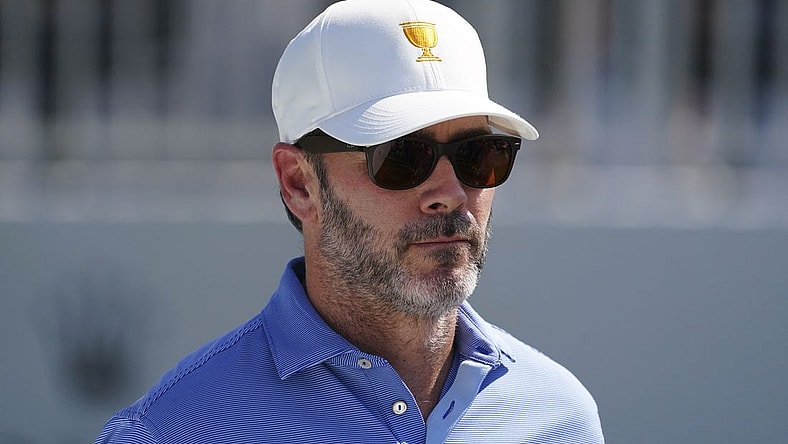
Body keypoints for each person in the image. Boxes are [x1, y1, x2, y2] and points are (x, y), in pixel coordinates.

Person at [95, 0, 604, 442]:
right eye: (402, 156)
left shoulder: (559, 417)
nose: (450, 193)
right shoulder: (177, 429)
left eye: (480, 154)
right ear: (298, 182)